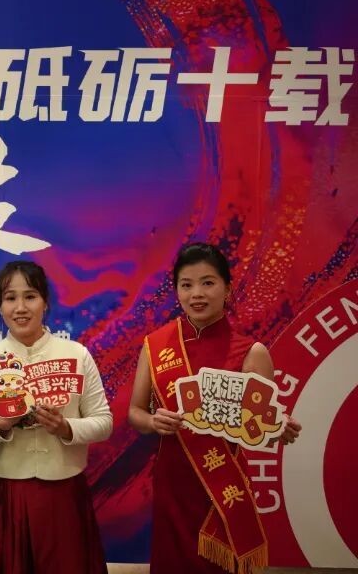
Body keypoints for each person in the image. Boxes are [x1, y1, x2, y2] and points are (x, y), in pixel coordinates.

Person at [128, 242, 301, 574]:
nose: (197, 293)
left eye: (208, 282)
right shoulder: (156, 345)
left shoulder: (251, 352)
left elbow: (260, 429)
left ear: (227, 288)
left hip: (222, 485)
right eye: (186, 284)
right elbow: (135, 413)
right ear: (177, 291)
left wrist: (277, 428)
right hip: (173, 483)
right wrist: (152, 422)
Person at [0, 260, 112, 574]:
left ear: (45, 302)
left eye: (30, 296)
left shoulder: (76, 354)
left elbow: (104, 422)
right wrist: (1, 425)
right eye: (10, 298)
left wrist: (65, 427)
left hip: (63, 491)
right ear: (0, 306)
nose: (20, 307)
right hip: (5, 493)